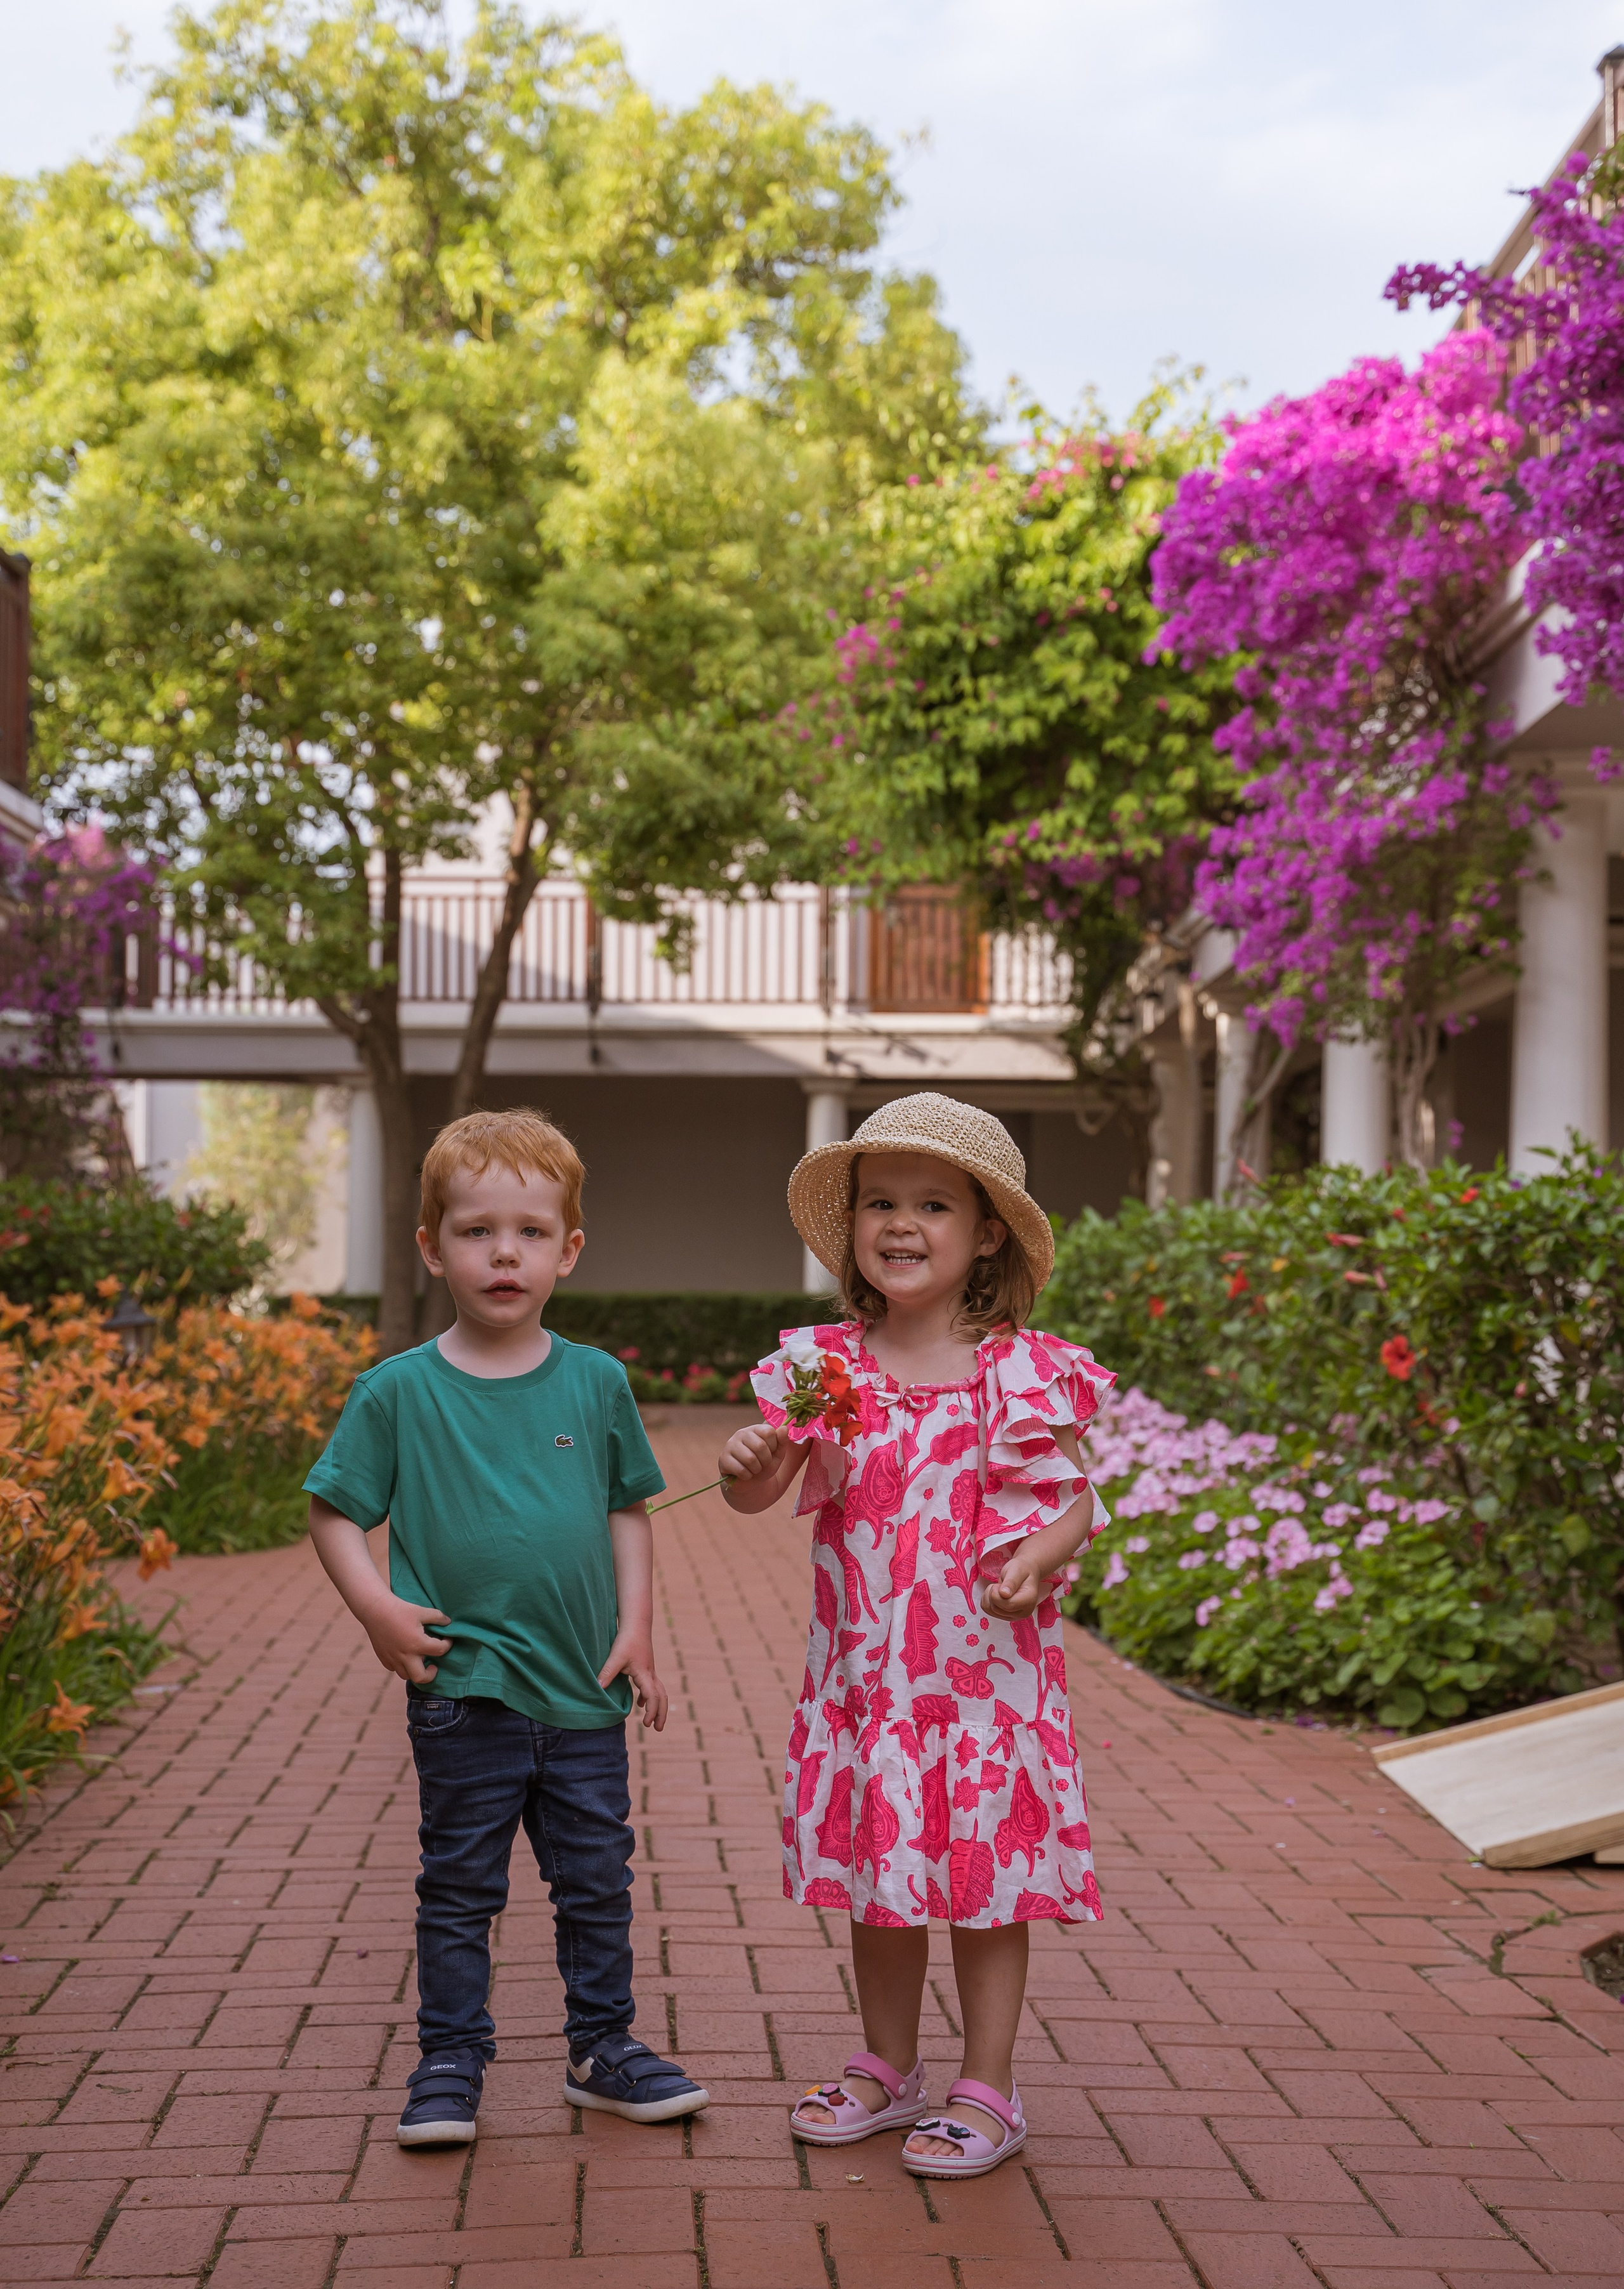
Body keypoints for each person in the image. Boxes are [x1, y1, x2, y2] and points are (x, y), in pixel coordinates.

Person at [717, 1093, 1111, 2180]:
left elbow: (1073, 1494)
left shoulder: (1016, 1370)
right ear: (850, 1227)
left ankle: (991, 2083)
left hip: (987, 1694)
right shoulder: (825, 1367)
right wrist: (749, 1466)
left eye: (933, 1204)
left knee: (986, 1891)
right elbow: (762, 1494)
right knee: (882, 1885)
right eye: (880, 1202)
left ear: (986, 1231)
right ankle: (889, 2066)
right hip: (871, 1690)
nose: (901, 1223)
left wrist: (1043, 1556)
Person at [304, 1106, 708, 2148]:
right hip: (462, 1691)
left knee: (596, 1882)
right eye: (478, 1231)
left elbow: (629, 1506)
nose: (504, 1253)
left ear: (568, 1250)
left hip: (581, 1688)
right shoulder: (397, 1392)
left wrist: (640, 1631)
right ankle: (450, 2057)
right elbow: (336, 1511)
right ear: (432, 1245)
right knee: (460, 1886)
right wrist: (374, 1606)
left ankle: (603, 2046)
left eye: (530, 1232)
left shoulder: (596, 1380)